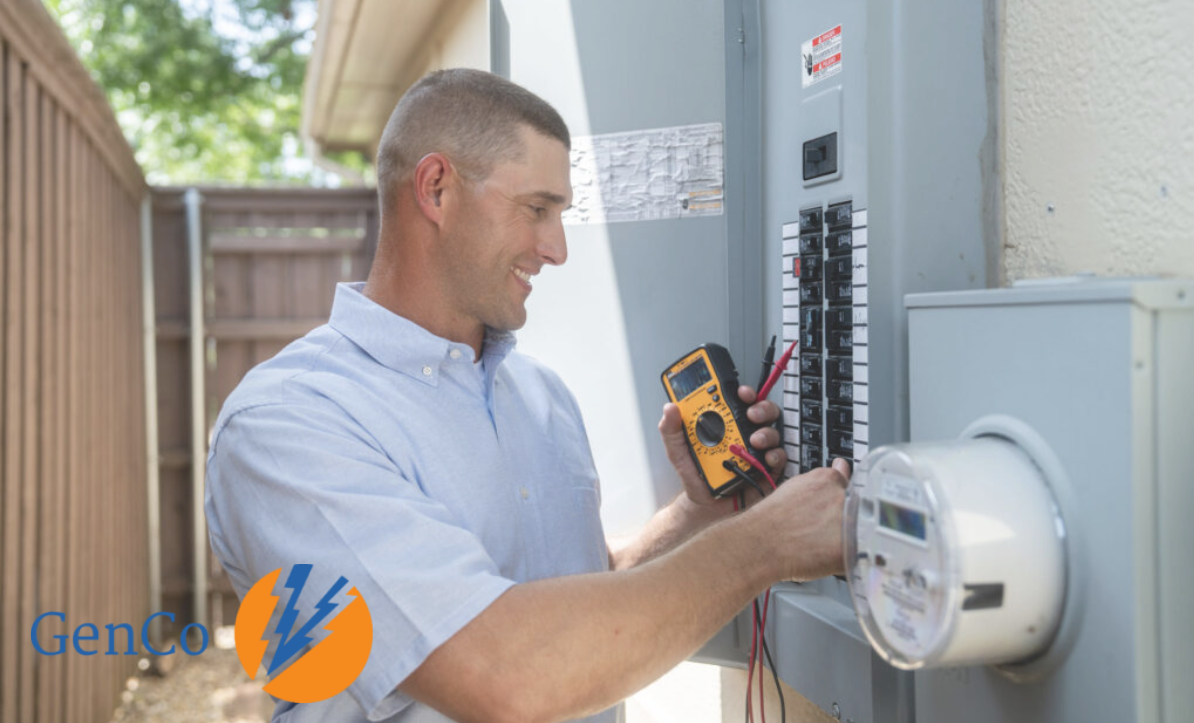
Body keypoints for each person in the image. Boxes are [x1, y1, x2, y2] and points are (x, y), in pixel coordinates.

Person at [204, 68, 850, 723]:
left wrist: (701, 513)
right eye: (537, 209)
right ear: (436, 189)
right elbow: (502, 671)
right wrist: (766, 544)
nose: (557, 249)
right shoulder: (289, 424)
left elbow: (576, 598)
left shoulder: (541, 396)